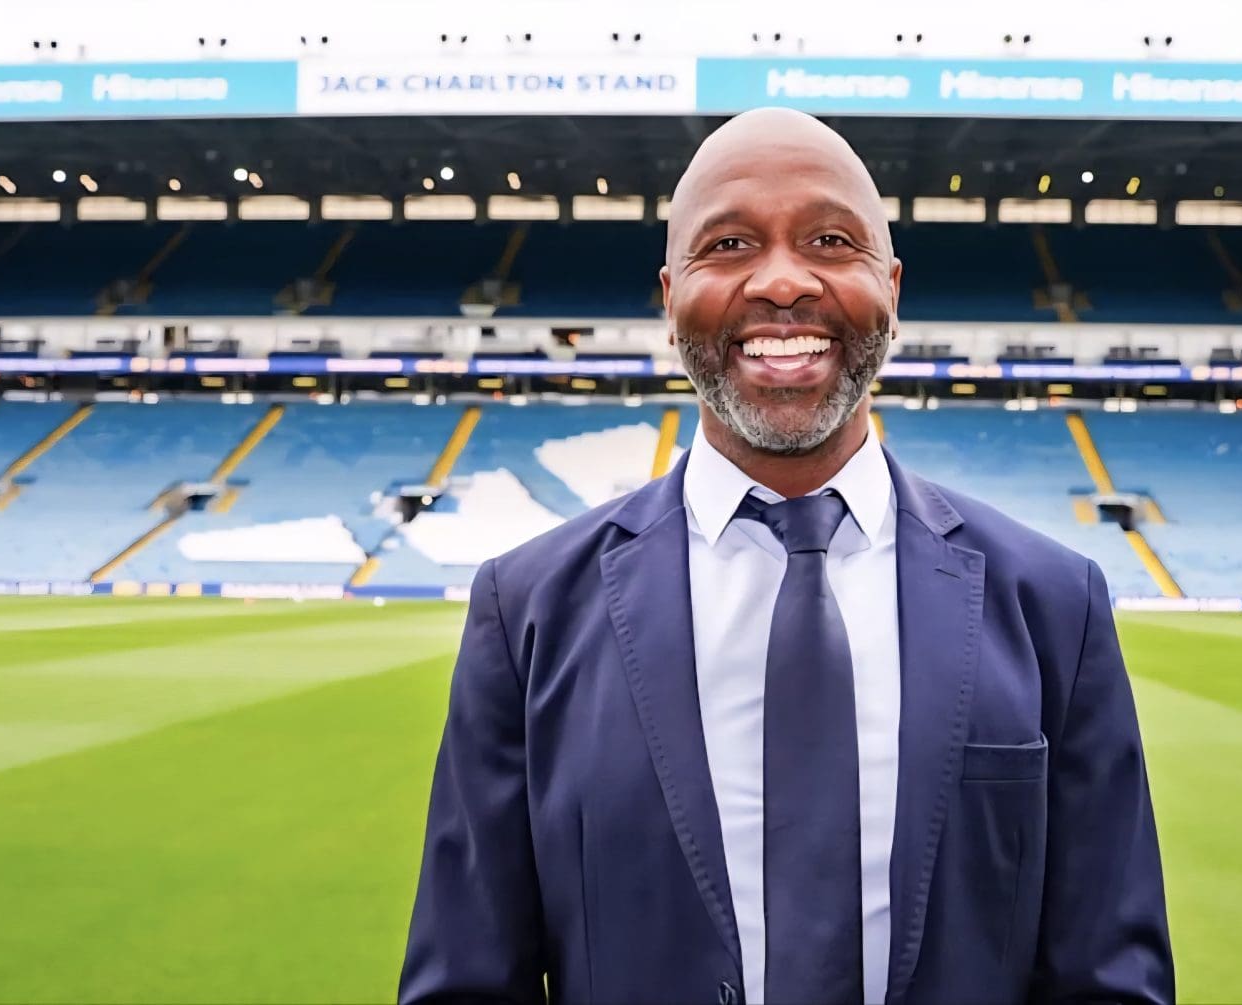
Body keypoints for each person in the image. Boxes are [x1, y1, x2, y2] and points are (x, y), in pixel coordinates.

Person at [399, 107, 1173, 1005]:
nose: (780, 282)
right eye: (727, 244)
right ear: (669, 293)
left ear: (891, 283)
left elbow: (1109, 979)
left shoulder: (1052, 605)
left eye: (830, 240)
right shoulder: (528, 609)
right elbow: (467, 979)